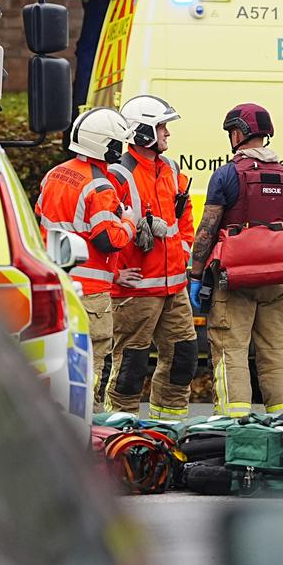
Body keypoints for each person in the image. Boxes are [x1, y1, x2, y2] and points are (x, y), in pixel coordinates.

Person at [188, 103, 283, 417]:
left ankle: (234, 423)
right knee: (277, 353)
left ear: (237, 133)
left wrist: (196, 275)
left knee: (230, 351)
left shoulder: (226, 175)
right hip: (278, 281)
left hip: (233, 279)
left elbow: (207, 229)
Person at [102, 94, 198, 419]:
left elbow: (183, 216)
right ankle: (120, 433)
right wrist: (115, 274)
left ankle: (169, 429)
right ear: (143, 132)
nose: (168, 134)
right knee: (131, 367)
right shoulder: (119, 174)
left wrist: (183, 252)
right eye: (162, 127)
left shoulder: (170, 168)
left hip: (174, 287)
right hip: (136, 291)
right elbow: (102, 230)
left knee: (183, 358)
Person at [36, 108, 137, 413]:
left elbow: (42, 218)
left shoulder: (55, 174)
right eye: (117, 144)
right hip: (90, 295)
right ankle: (89, 421)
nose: (120, 150)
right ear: (104, 144)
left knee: (59, 358)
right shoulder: (101, 187)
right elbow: (108, 239)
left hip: (55, 282)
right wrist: (130, 223)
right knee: (94, 359)